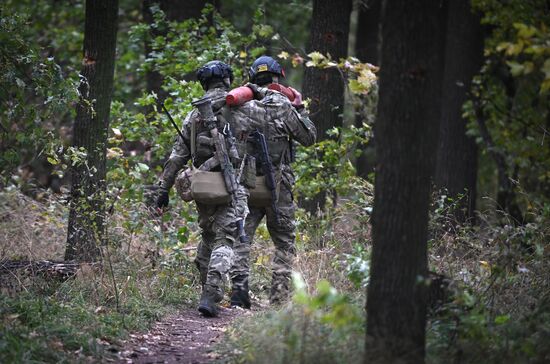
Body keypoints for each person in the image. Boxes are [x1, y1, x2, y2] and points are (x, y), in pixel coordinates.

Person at [155, 60, 249, 317]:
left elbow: (177, 156)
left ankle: (206, 291)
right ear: (228, 80)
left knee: (208, 237)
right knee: (225, 240)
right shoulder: (244, 107)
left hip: (204, 187)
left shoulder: (194, 115)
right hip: (234, 187)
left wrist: (162, 190)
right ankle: (211, 294)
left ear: (203, 83)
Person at [229, 56, 317, 307]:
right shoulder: (284, 106)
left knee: (242, 236)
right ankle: (278, 299)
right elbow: (309, 137)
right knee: (284, 242)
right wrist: (300, 108)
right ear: (279, 77)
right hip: (279, 186)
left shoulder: (240, 106)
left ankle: (238, 293)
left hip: (246, 182)